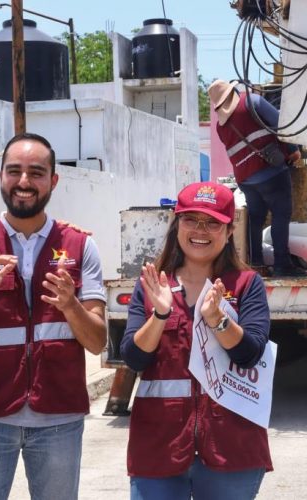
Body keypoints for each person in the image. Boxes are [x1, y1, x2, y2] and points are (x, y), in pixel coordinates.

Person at [0, 132, 107, 500]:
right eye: (14, 171)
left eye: (36, 172)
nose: (24, 182)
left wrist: (70, 305)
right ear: (0, 176)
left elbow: (97, 342)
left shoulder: (81, 246)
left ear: (53, 179)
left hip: (59, 417)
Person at [121, 181, 272, 500]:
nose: (200, 230)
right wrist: (159, 315)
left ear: (229, 231)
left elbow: (249, 354)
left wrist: (218, 318)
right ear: (177, 225)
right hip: (158, 447)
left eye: (212, 222)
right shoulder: (151, 286)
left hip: (232, 448)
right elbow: (133, 359)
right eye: (191, 219)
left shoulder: (247, 285)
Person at [208, 79, 307, 277]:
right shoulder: (253, 102)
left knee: (256, 218)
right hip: (271, 172)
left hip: (245, 180)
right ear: (234, 91)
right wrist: (294, 151)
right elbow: (282, 125)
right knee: (281, 214)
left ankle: (256, 264)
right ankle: (282, 264)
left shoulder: (221, 126)